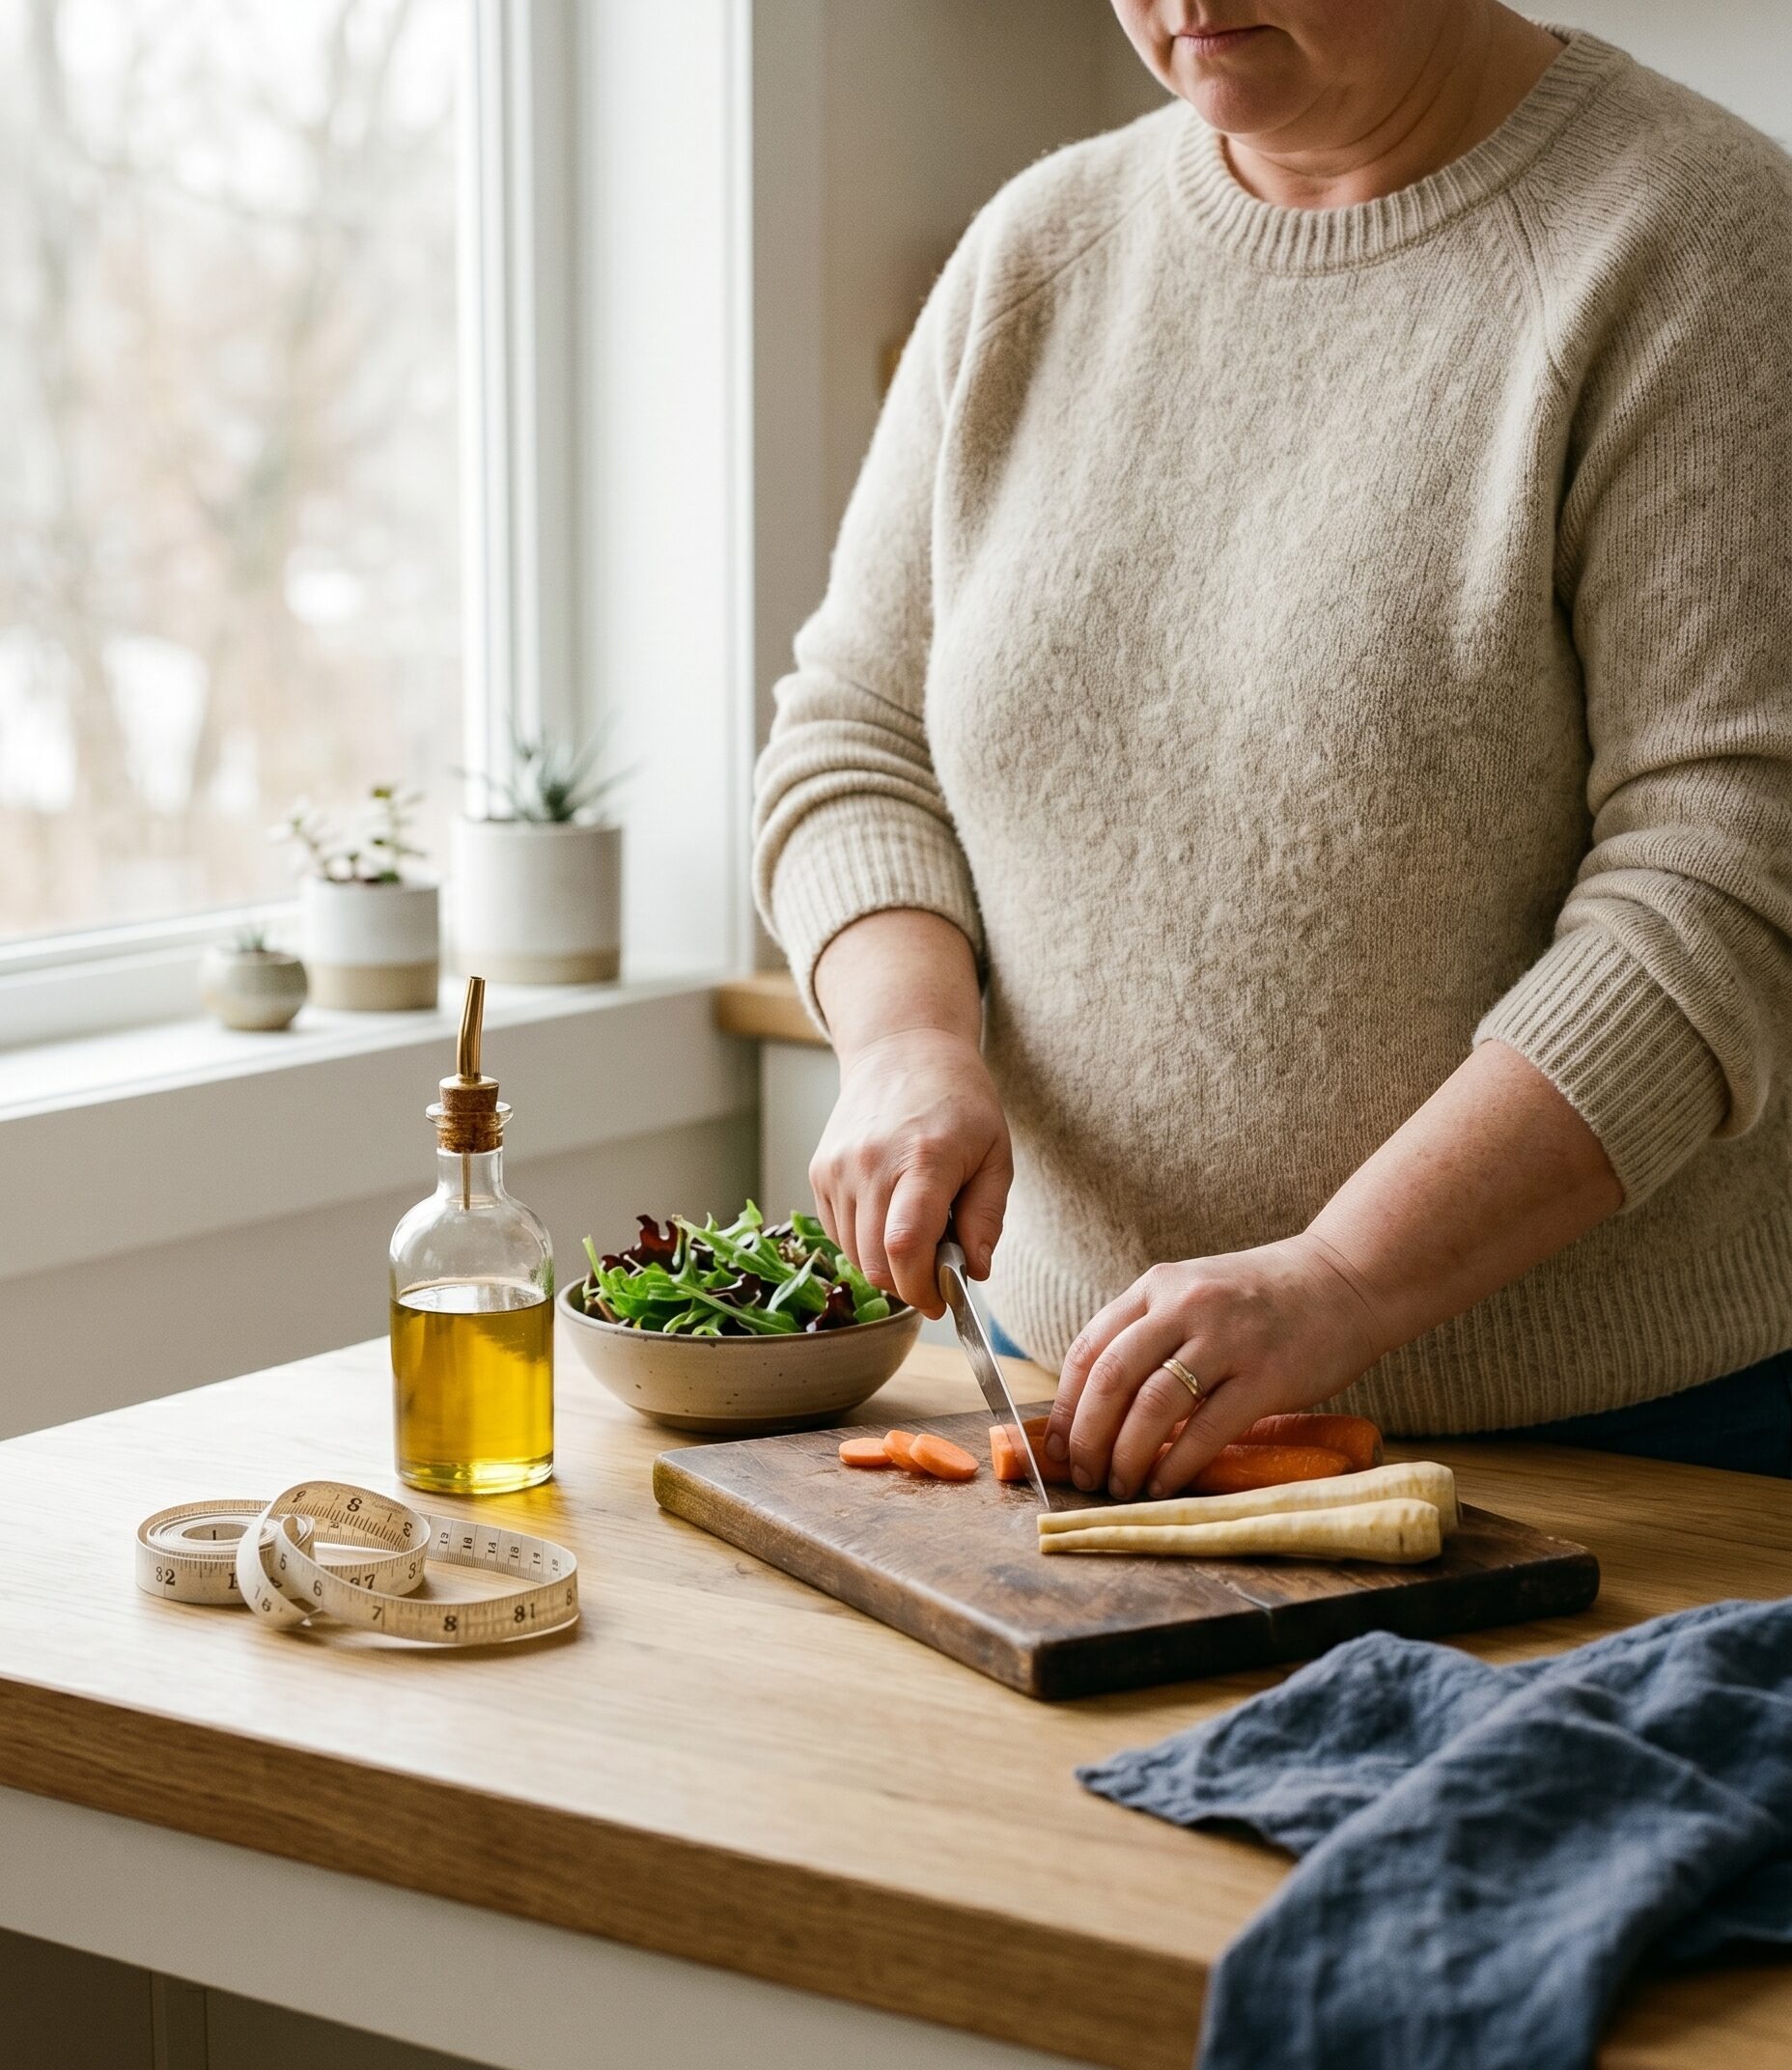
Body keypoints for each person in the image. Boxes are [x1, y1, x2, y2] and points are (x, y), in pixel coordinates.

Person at [752, 2, 1792, 1499]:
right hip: (1076, 1417)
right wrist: (908, 1043)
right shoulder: (1040, 252)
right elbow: (855, 733)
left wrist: (1342, 1280)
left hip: (1614, 1459)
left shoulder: (1697, 243)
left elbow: (1726, 886)